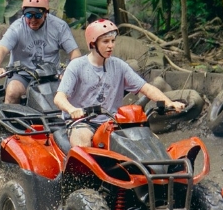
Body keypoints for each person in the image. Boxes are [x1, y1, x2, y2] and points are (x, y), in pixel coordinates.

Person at [54, 19, 184, 148]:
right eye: (105, 41)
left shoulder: (119, 66)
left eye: (112, 41)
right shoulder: (77, 66)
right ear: (93, 44)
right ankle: (79, 170)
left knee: (152, 142)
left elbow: (146, 88)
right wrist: (72, 110)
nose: (111, 45)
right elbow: (59, 98)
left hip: (112, 122)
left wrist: (169, 103)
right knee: (82, 142)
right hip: (82, 122)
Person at [0, 0, 82, 104]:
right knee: (13, 92)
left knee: (74, 92)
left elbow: (75, 54)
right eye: (28, 15)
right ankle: (7, 119)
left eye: (37, 15)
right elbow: (1, 50)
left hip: (51, 76)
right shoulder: (17, 28)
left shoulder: (59, 27)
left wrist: (68, 72)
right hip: (22, 75)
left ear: (46, 13)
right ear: (23, 14)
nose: (33, 20)